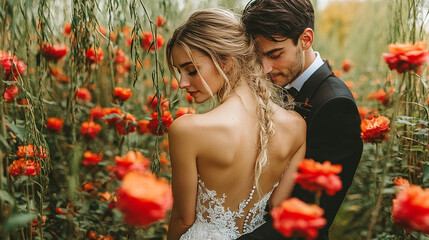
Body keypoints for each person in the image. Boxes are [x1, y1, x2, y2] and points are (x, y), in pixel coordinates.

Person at [165, 8, 306, 240]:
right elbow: (278, 205)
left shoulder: (187, 131)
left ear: (226, 61)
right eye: (179, 72)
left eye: (191, 70)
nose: (181, 83)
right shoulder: (297, 126)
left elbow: (183, 218)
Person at [239, 0, 363, 239]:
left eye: (275, 54)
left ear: (305, 39)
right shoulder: (278, 84)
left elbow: (309, 214)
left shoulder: (336, 107)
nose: (265, 69)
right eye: (258, 57)